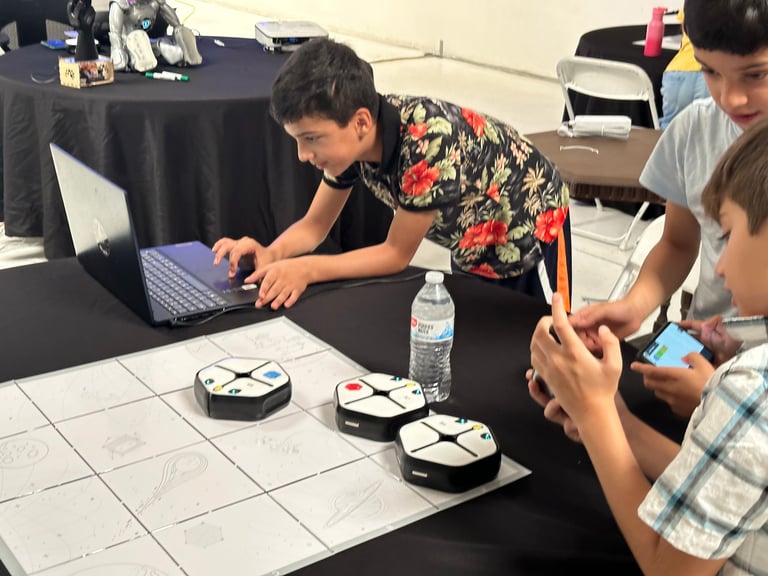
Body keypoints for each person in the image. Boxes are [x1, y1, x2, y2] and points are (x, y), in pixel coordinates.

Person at [529, 117, 768, 575]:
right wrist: (616, 422)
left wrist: (597, 415)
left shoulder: (751, 385)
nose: (717, 270)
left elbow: (669, 568)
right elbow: (730, 483)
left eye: (727, 235)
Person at [212, 38, 571, 311]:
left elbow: (395, 254)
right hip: (471, 238)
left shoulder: (428, 143)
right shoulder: (355, 140)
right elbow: (314, 226)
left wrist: (306, 269)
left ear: (361, 122)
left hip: (531, 228)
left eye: (311, 139)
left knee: (537, 337)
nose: (303, 155)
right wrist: (272, 255)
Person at [569, 0, 768, 418]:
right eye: (710, 71)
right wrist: (636, 305)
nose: (731, 97)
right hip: (705, 356)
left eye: (757, 74)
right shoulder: (697, 128)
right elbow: (678, 243)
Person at [659, 8, 710, 129]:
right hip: (709, 71)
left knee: (670, 128)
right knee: (706, 129)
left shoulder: (691, 4)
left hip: (677, 70)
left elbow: (685, 31)